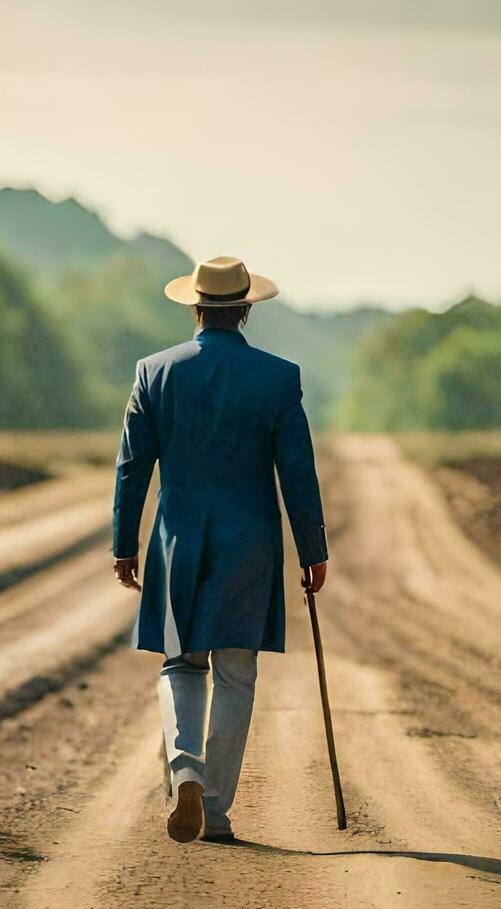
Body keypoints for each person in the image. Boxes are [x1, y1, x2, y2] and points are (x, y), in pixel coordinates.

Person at [111, 255, 329, 844]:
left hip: (178, 541)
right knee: (236, 673)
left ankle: (184, 767)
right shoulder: (278, 377)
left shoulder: (154, 372)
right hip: (250, 546)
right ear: (247, 309)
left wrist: (123, 543)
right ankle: (215, 807)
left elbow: (133, 468)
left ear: (196, 307)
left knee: (182, 663)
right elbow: (299, 473)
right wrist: (314, 549)